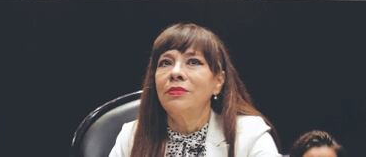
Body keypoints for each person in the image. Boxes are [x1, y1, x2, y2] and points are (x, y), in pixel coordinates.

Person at [109, 22, 279, 157]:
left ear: (218, 81)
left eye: (193, 62)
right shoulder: (131, 136)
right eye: (165, 63)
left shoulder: (248, 134)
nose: (175, 73)